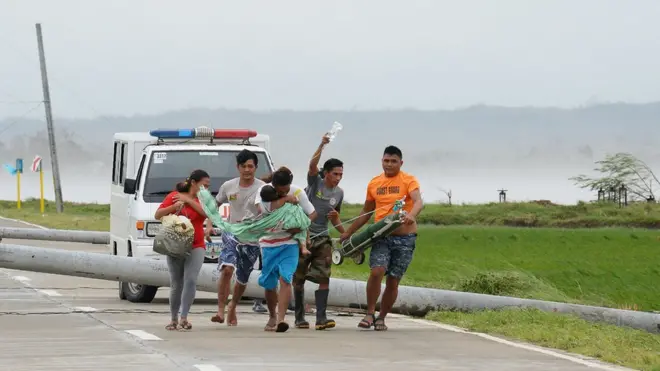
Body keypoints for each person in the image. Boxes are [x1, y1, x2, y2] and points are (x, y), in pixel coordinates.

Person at [340, 145, 424, 331]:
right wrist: (348, 232)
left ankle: (382, 317)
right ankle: (369, 313)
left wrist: (412, 215)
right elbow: (366, 212)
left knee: (393, 280)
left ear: (401, 163)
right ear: (382, 161)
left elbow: (418, 201)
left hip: (405, 238)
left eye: (394, 161)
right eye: (386, 161)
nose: (389, 164)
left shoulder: (409, 180)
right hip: (381, 236)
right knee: (377, 271)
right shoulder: (374, 183)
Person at [254, 167, 317, 332]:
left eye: (287, 188)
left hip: (289, 243)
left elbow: (312, 213)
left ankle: (281, 319)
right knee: (269, 283)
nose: (285, 191)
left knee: (285, 278)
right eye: (281, 190)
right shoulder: (264, 191)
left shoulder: (296, 192)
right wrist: (286, 199)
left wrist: (301, 226)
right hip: (268, 243)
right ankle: (272, 316)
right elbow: (264, 209)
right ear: (274, 185)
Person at [294, 134, 345, 330]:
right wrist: (322, 144)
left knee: (324, 276)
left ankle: (321, 318)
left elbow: (336, 219)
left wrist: (342, 230)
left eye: (341, 174)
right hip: (303, 237)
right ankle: (299, 317)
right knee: (298, 278)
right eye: (335, 174)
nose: (338, 178)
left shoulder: (339, 193)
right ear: (326, 174)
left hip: (322, 237)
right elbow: (312, 165)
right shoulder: (316, 183)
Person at [211, 149, 266, 326]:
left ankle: (233, 305)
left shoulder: (262, 188)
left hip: (252, 237)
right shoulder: (228, 186)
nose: (247, 170)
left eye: (250, 166)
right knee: (227, 269)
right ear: (238, 167)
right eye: (244, 166)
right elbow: (214, 204)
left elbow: (268, 210)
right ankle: (220, 310)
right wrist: (210, 224)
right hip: (232, 230)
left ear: (256, 167)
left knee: (242, 277)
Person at [155, 169, 211, 331]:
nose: (206, 189)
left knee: (191, 279)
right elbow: (158, 215)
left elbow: (207, 213)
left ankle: (184, 317)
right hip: (175, 245)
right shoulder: (174, 196)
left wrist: (189, 200)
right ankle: (173, 318)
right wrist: (174, 206)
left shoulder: (204, 199)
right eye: (203, 185)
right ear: (193, 183)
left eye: (208, 186)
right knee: (176, 282)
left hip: (197, 245)